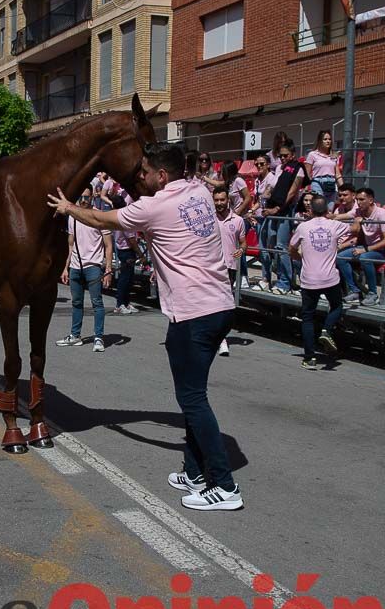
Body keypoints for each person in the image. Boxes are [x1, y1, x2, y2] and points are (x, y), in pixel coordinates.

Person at [47, 144, 242, 512]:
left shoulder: (155, 206)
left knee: (193, 400)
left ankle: (225, 485)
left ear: (162, 176)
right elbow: (208, 179)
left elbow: (104, 220)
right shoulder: (198, 191)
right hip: (218, 307)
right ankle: (194, 471)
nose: (141, 177)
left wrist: (70, 208)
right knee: (193, 395)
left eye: (146, 172)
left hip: (194, 313)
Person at [290, 196, 350, 370]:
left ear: (310, 210)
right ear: (327, 210)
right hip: (330, 278)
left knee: (307, 317)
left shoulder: (303, 227)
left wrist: (300, 258)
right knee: (337, 306)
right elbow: (353, 227)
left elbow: (291, 248)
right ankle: (327, 329)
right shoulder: (334, 225)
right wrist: (335, 218)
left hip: (309, 279)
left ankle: (309, 358)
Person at [56, 189, 113, 352]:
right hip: (76, 266)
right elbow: (70, 244)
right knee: (76, 302)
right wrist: (65, 268)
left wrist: (108, 268)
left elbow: (108, 245)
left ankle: (98, 337)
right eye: (80, 196)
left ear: (92, 197)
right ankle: (75, 336)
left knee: (97, 303)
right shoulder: (73, 216)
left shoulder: (98, 216)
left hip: (93, 266)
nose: (82, 200)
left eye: (86, 197)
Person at [335, 188, 385, 306]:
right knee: (340, 258)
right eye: (357, 200)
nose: (359, 202)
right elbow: (340, 216)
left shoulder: (381, 214)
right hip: (368, 248)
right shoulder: (358, 211)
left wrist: (365, 249)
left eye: (362, 199)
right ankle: (355, 291)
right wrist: (322, 215)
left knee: (365, 257)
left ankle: (373, 293)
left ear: (371, 200)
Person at [261, 143, 306, 295]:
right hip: (274, 209)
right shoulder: (279, 169)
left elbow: (292, 192)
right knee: (272, 245)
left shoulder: (298, 169)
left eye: (285, 155)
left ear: (293, 155)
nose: (282, 158)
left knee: (282, 246)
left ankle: (285, 283)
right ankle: (282, 277)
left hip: (286, 210)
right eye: (280, 156)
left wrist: (278, 208)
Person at [212, 185, 244, 356]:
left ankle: (221, 337)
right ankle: (219, 339)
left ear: (228, 200)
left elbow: (243, 241)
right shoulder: (209, 219)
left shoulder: (238, 220)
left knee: (225, 306)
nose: (219, 203)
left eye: (222, 200)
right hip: (211, 267)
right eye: (216, 200)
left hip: (229, 267)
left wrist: (242, 249)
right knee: (212, 303)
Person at [249, 154, 278, 292]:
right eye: (257, 164)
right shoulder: (258, 180)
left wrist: (252, 210)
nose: (259, 166)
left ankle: (269, 278)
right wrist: (252, 212)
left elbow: (264, 197)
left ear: (268, 164)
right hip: (260, 217)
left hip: (269, 217)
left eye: (262, 164)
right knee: (263, 249)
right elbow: (257, 199)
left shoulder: (271, 179)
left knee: (268, 249)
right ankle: (265, 277)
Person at [304, 129, 342, 200]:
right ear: (320, 141)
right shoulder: (312, 154)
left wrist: (343, 188)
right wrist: (306, 188)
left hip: (331, 184)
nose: (328, 141)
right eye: (325, 139)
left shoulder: (334, 156)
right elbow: (307, 174)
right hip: (317, 183)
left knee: (330, 209)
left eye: (329, 139)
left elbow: (338, 175)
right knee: (319, 206)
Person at [113, 226, 141, 315]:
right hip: (126, 250)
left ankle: (126, 302)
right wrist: (140, 254)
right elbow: (131, 239)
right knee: (124, 278)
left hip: (126, 250)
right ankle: (119, 304)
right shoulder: (126, 223)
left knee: (129, 278)